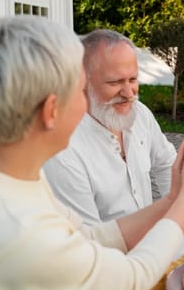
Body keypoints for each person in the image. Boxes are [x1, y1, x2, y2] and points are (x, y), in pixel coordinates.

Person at [0, 16, 184, 290]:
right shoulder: (19, 233)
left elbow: (89, 237)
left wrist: (172, 199)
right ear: (51, 111)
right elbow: (131, 280)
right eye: (80, 90)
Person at [44, 29, 176, 224]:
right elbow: (90, 240)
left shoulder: (139, 114)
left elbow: (166, 163)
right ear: (82, 82)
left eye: (133, 79)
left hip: (152, 243)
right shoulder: (63, 150)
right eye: (115, 82)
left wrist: (173, 215)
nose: (129, 93)